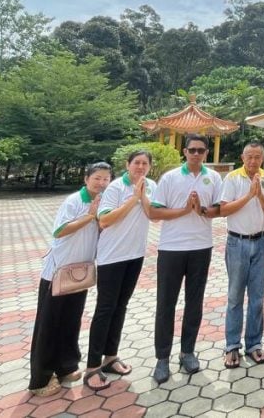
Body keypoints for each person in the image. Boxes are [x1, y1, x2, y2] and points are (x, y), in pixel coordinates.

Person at [28, 162, 110, 396]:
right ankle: (40, 379)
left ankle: (66, 366)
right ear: (86, 179)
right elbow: (59, 231)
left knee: (71, 320)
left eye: (106, 179)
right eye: (97, 178)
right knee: (49, 325)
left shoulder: (104, 201)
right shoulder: (74, 201)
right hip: (59, 271)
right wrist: (89, 217)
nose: (101, 183)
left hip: (80, 272)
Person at [146, 134, 222, 383]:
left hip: (201, 247)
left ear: (206, 153)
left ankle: (187, 351)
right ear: (184, 152)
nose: (196, 154)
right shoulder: (170, 178)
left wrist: (200, 209)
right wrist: (185, 210)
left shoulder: (213, 177)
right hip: (171, 249)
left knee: (194, 302)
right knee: (166, 304)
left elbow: (218, 210)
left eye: (201, 150)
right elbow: (155, 212)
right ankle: (162, 358)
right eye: (192, 150)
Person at [82, 150, 157, 390]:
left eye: (145, 164)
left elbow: (152, 215)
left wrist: (142, 195)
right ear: (127, 165)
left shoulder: (151, 185)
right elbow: (105, 220)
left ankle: (111, 356)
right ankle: (92, 366)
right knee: (105, 308)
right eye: (137, 163)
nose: (140, 167)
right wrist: (133, 198)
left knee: (121, 306)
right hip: (112, 257)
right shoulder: (114, 188)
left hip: (135, 255)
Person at [219, 141, 264, 369]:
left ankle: (254, 344)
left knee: (257, 297)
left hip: (261, 242)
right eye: (249, 157)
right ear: (242, 157)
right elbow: (224, 210)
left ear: (262, 158)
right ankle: (232, 345)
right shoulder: (233, 178)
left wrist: (259, 194)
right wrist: (249, 195)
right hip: (237, 242)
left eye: (257, 157)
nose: (253, 161)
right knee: (235, 297)